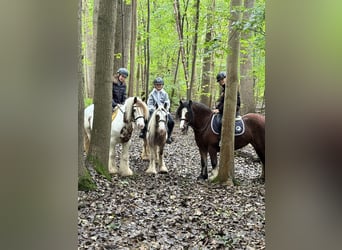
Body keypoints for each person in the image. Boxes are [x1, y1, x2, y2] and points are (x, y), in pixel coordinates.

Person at [139, 77, 175, 144]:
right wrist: (154, 110)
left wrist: (164, 109)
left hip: (163, 110)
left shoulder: (165, 94)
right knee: (145, 118)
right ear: (155, 85)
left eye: (160, 84)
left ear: (162, 85)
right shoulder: (152, 94)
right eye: (157, 84)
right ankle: (143, 132)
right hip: (154, 110)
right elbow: (149, 103)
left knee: (171, 122)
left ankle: (169, 136)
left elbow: (167, 102)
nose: (159, 86)